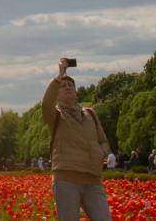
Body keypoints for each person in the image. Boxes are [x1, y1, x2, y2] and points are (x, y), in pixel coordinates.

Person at [42, 58, 112, 221]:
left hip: (93, 179)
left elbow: (104, 141)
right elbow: (46, 103)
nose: (67, 87)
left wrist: (100, 152)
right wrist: (59, 76)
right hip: (66, 179)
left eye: (70, 85)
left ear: (76, 90)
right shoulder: (56, 116)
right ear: (57, 94)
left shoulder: (91, 114)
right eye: (62, 86)